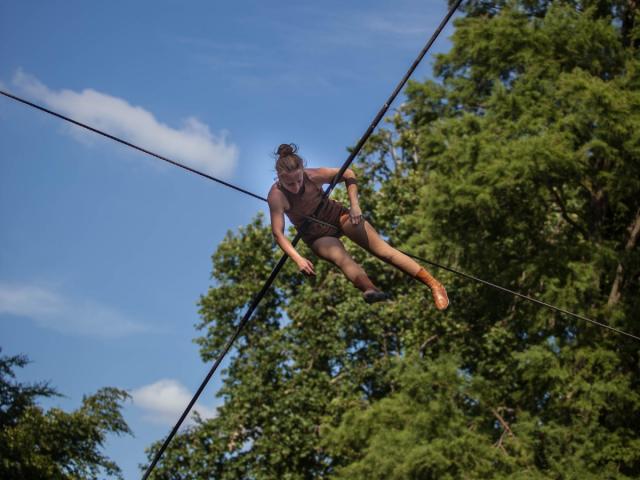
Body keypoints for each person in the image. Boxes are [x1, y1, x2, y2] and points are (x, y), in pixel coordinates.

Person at [267, 143, 448, 309]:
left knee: (383, 251)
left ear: (302, 171)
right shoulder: (276, 197)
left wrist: (355, 206)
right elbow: (278, 234)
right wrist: (298, 258)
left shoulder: (313, 175)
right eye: (290, 183)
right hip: (317, 235)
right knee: (341, 258)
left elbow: (348, 174)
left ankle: (434, 285)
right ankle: (370, 289)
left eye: (298, 180)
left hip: (339, 216)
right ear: (279, 178)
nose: (296, 186)